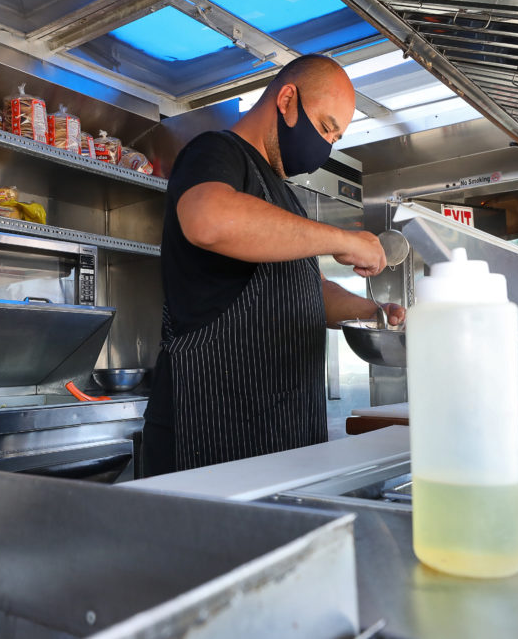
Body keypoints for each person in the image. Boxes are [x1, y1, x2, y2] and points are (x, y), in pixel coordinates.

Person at [143, 54, 406, 476]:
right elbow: (208, 220)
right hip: (212, 436)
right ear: (286, 100)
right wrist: (341, 239)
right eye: (324, 127)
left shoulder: (284, 196)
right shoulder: (215, 152)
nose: (326, 147)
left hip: (284, 435)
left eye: (335, 137)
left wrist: (374, 315)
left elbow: (308, 290)